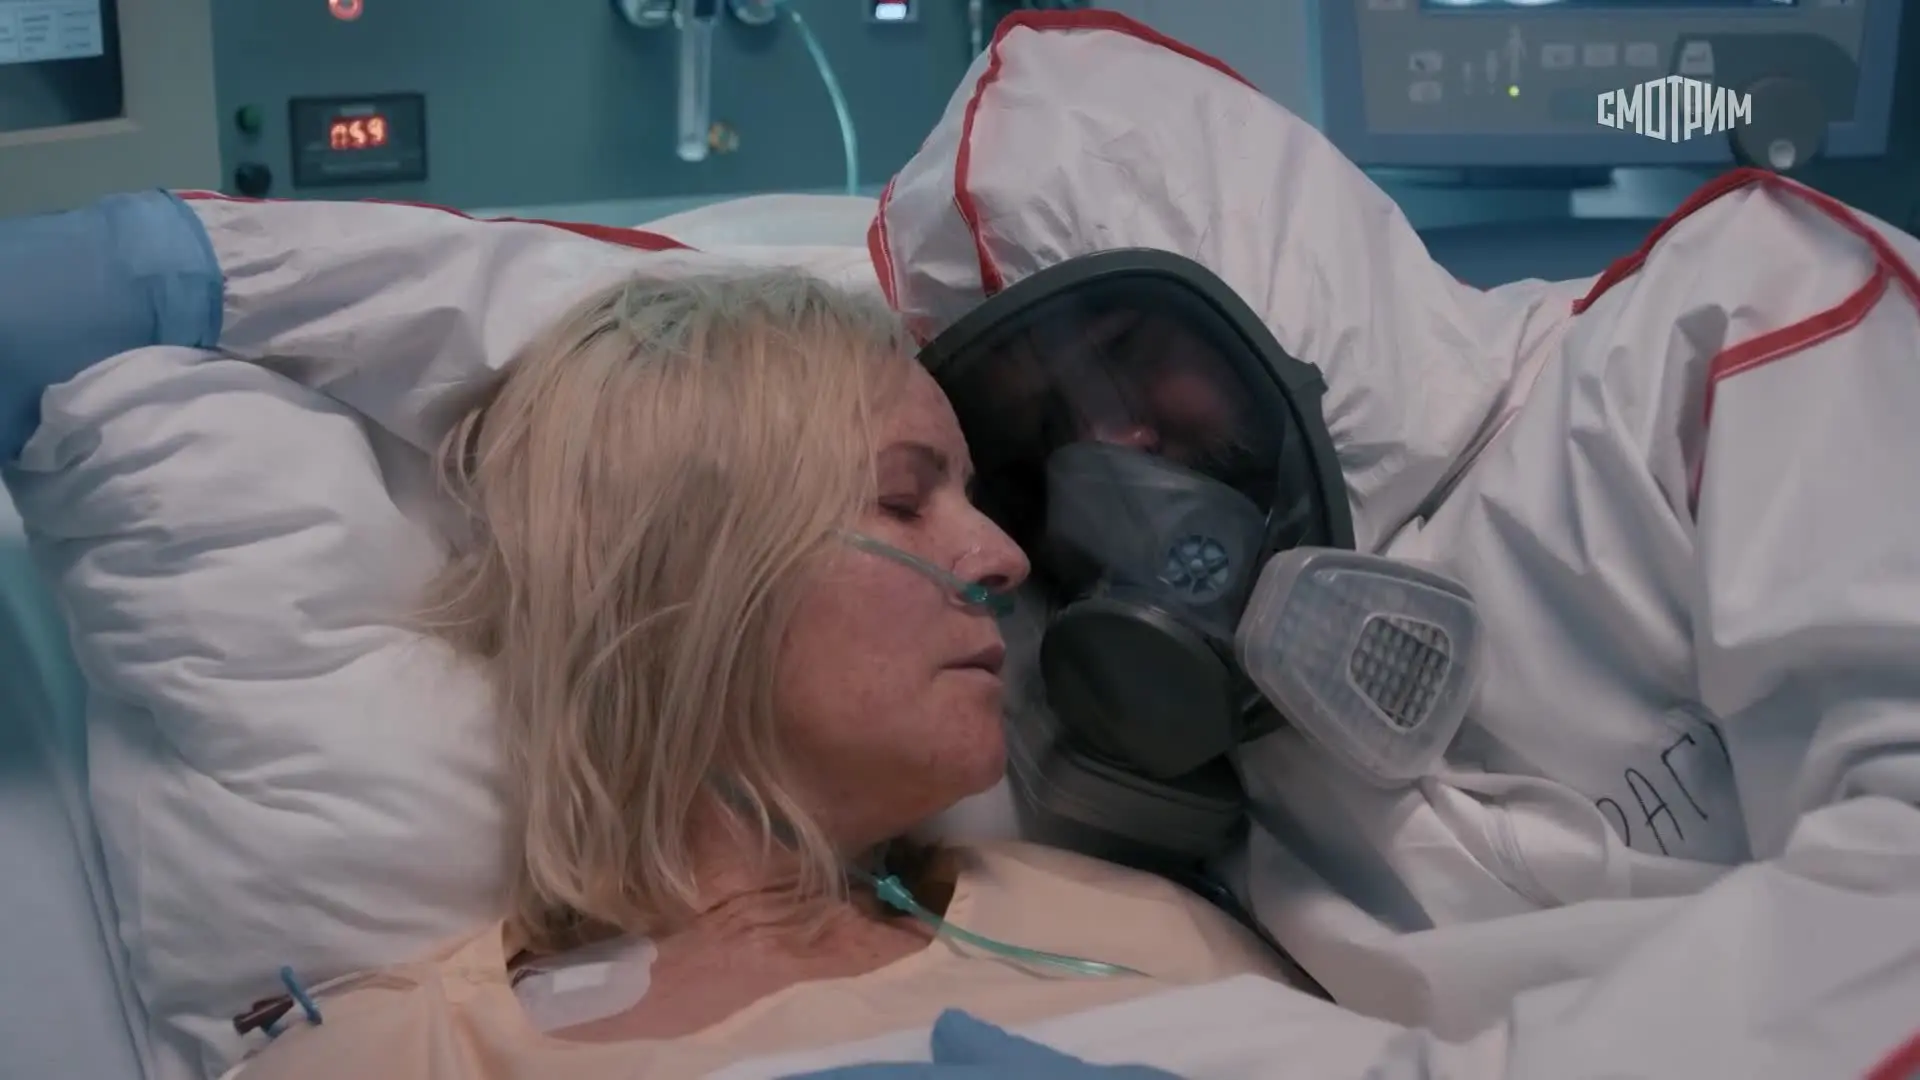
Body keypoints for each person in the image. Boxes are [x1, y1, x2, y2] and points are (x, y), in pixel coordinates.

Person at [855, 9, 1920, 1079]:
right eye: (1043, 430)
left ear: (1265, 265)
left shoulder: (1723, 340)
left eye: (1125, 351)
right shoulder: (1142, 719)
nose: (1109, 446)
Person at [203, 268, 1294, 1080]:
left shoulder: (1144, 941)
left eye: (972, 499)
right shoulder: (394, 1057)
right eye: (902, 499)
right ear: (690, 577)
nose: (1004, 558)